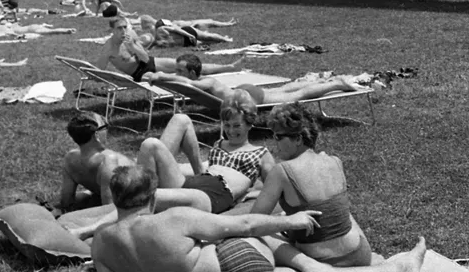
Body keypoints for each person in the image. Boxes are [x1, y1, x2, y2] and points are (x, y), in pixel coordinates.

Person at [91, 166, 427, 272]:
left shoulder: (102, 244)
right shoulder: (172, 218)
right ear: (153, 198)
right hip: (241, 266)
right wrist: (288, 220)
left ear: (116, 200)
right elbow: (248, 223)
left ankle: (399, 269)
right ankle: (314, 264)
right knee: (244, 227)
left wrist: (142, 271)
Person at [251, 103, 378, 266]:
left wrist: (283, 222)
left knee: (258, 233)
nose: (274, 143)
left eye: (278, 137)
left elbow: (254, 221)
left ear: (298, 138)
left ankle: (309, 268)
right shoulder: (335, 161)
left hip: (320, 261)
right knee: (341, 212)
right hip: (360, 256)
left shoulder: (281, 171)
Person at [135, 93, 273, 213]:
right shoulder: (219, 144)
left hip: (209, 195)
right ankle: (139, 193)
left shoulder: (261, 153)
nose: (231, 131)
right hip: (193, 182)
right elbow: (205, 169)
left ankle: (135, 205)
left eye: (237, 126)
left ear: (249, 125)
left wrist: (249, 194)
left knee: (141, 195)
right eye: (227, 125)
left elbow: (275, 187)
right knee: (152, 142)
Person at [57, 111, 206, 214]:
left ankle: (203, 169)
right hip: (149, 183)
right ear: (96, 135)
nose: (108, 129)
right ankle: (203, 174)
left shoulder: (71, 159)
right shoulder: (108, 162)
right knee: (181, 120)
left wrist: (89, 193)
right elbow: (110, 209)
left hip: (139, 171)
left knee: (184, 167)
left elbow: (66, 201)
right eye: (105, 125)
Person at [147, 52, 371, 106]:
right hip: (244, 93)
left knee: (295, 96)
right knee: (286, 89)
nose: (178, 74)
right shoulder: (200, 81)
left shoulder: (201, 83)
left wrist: (160, 76)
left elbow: (186, 84)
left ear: (193, 73)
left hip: (248, 97)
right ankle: (319, 80)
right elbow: (183, 82)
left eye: (181, 70)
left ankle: (336, 84)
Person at [97, 16, 244, 83]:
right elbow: (99, 72)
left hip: (149, 63)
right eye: (119, 28)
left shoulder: (131, 35)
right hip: (139, 74)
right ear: (112, 31)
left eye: (124, 27)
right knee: (163, 78)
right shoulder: (108, 49)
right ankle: (199, 84)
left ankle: (228, 67)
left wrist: (133, 47)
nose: (123, 31)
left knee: (185, 65)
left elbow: (145, 58)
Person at [137, 14, 232, 48]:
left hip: (187, 32)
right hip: (184, 42)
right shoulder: (155, 33)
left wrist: (188, 34)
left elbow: (176, 29)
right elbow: (154, 42)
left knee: (207, 37)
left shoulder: (161, 26)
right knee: (206, 42)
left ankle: (226, 39)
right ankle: (223, 39)